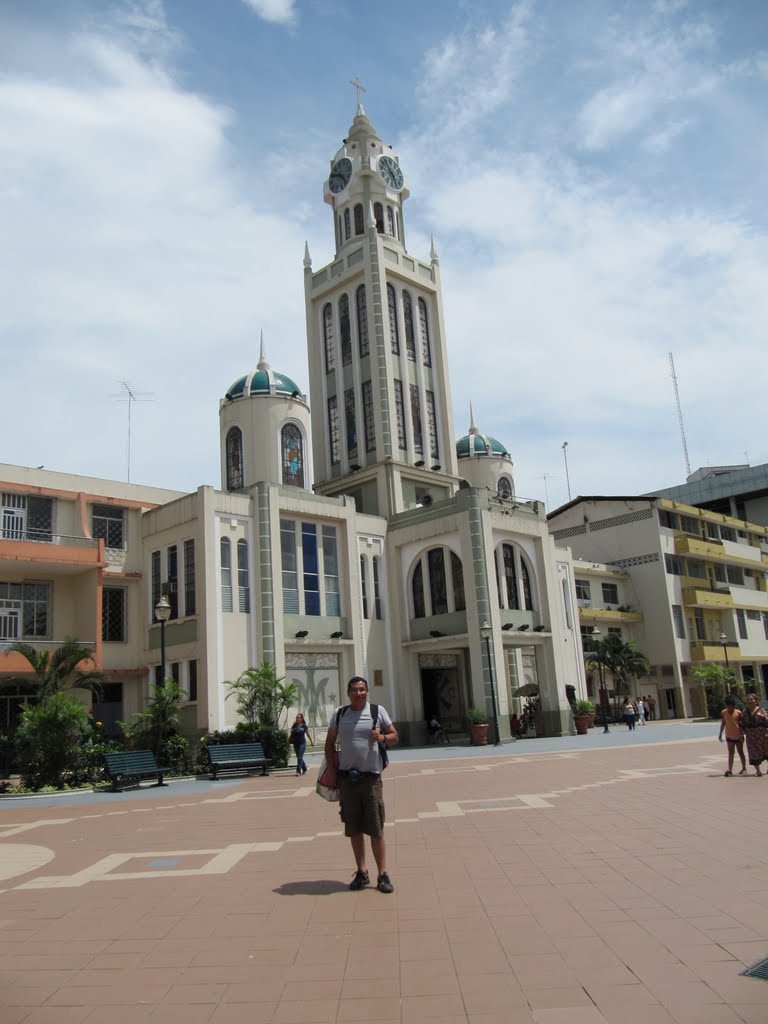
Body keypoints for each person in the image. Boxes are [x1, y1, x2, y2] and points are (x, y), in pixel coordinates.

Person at [324, 676, 398, 894]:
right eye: (355, 690)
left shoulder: (377, 711)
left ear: (367, 691)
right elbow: (329, 745)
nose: (359, 693)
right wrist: (331, 772)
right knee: (354, 828)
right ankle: (362, 871)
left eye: (363, 689)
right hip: (348, 779)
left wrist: (383, 738)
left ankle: (383, 874)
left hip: (371, 779)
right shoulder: (340, 714)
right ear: (348, 693)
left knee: (376, 828)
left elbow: (395, 736)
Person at [718, 694, 746, 776]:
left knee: (740, 751)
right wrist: (720, 733)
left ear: (735, 706)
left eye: (732, 707)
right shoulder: (724, 712)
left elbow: (741, 725)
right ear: (726, 706)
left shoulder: (738, 713)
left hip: (738, 735)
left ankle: (744, 768)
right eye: (728, 707)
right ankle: (730, 769)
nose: (730, 709)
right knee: (731, 752)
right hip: (729, 736)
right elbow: (723, 723)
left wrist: (741, 734)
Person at [741, 693, 768, 776]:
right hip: (750, 736)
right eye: (748, 700)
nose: (750, 701)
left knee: (766, 750)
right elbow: (742, 724)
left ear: (756, 701)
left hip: (762, 735)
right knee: (753, 752)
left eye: (752, 699)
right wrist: (741, 734)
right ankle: (758, 771)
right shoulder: (745, 712)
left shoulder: (761, 711)